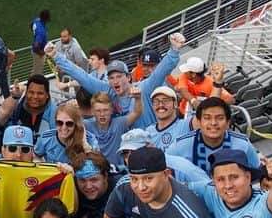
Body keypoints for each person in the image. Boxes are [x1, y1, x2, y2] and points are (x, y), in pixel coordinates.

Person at [47, 33, 183, 127]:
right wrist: (56, 56)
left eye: (119, 76)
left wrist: (174, 50)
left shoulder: (143, 88)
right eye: (111, 77)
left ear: (128, 77)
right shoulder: (108, 91)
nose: (115, 81)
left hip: (149, 146)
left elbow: (161, 71)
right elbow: (81, 76)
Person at [165, 98, 258, 174]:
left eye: (220, 118)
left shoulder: (243, 144)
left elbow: (259, 172)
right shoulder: (180, 145)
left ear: (228, 123)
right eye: (207, 118)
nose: (213, 123)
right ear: (199, 122)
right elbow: (161, 170)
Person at [118, 129, 209, 185]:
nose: (129, 158)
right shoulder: (128, 170)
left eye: (135, 152)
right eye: (125, 153)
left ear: (150, 147)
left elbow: (210, 188)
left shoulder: (180, 167)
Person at [85, 90, 143, 167]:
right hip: (96, 173)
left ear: (111, 110)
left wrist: (138, 98)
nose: (102, 114)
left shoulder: (119, 123)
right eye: (98, 111)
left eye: (105, 110)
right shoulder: (86, 125)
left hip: (118, 172)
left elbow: (136, 113)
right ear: (92, 111)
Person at [69, 152, 115, 218]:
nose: (88, 186)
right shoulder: (74, 191)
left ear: (105, 177)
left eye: (94, 180)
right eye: (82, 180)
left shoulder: (119, 190)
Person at [11, 74, 57, 140]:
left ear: (47, 95)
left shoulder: (56, 114)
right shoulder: (18, 108)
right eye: (31, 92)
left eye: (40, 93)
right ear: (26, 92)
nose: (35, 97)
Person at [30, 9, 51, 76]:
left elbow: (30, 24)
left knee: (36, 69)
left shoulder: (37, 20)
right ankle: (32, 84)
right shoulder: (41, 32)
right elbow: (36, 45)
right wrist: (41, 53)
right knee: (37, 73)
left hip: (37, 52)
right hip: (38, 54)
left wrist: (35, 34)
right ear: (46, 18)